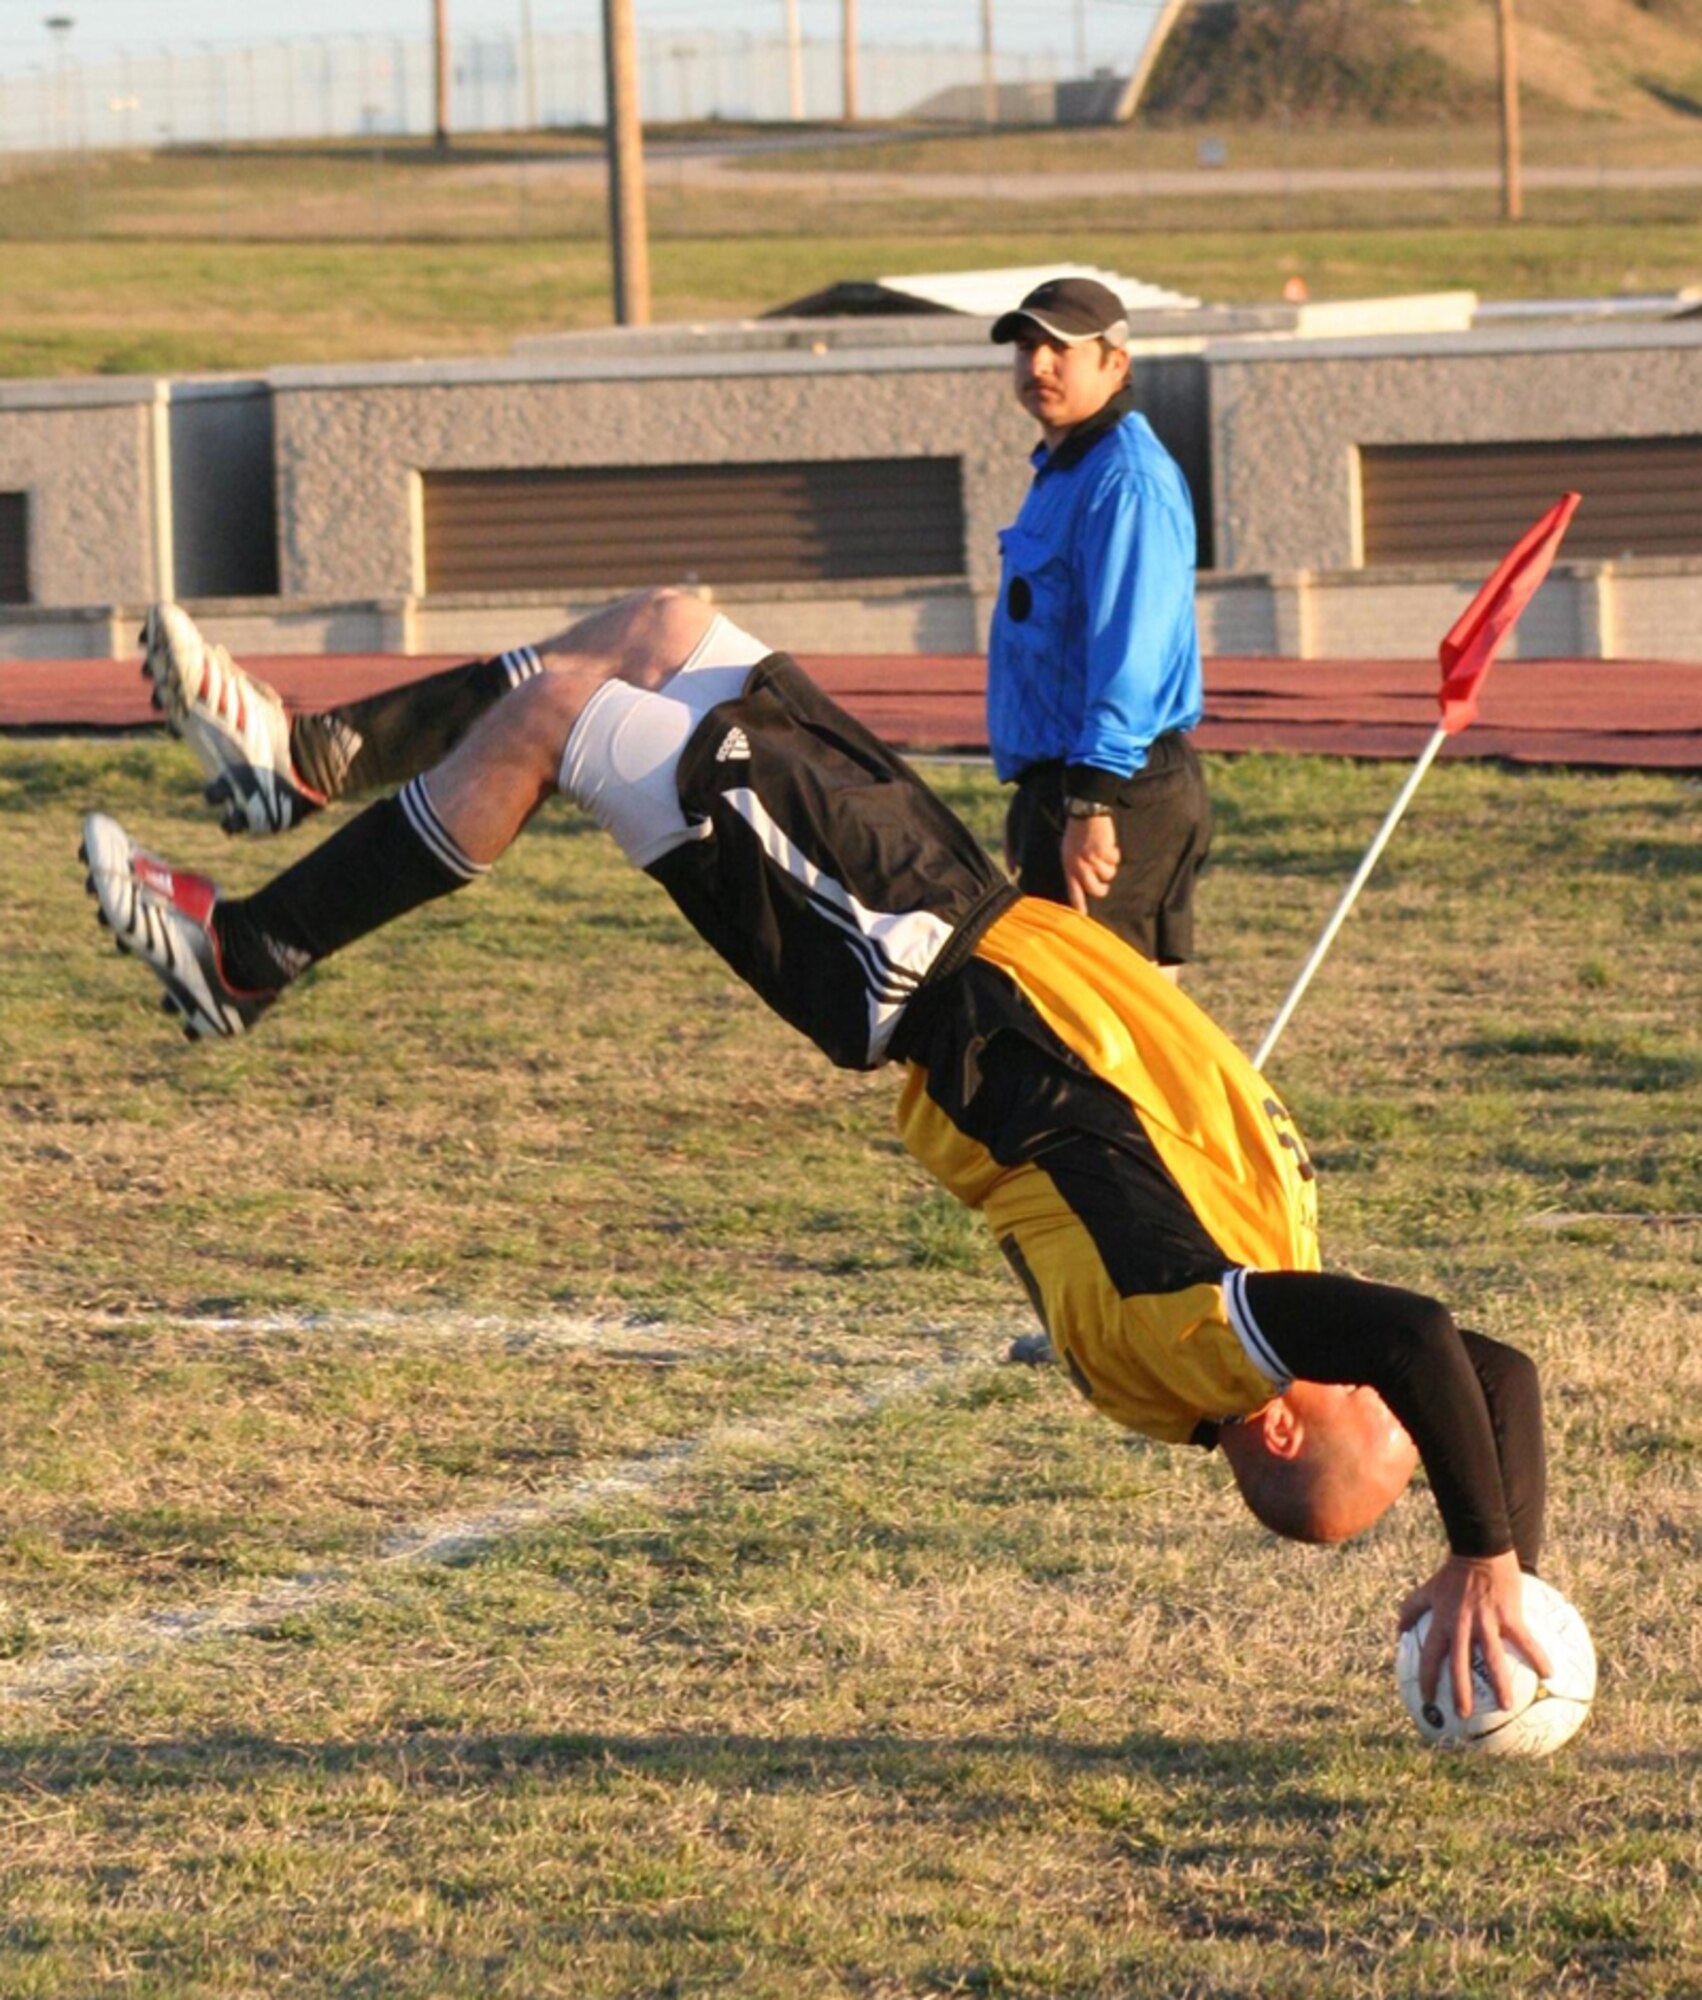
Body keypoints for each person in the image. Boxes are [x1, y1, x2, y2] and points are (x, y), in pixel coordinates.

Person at [83, 591, 1551, 1720]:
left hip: (891, 952)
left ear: (1283, 1427)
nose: (1418, 1424)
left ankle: (250, 952)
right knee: (666, 624)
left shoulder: (1191, 1328)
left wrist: (1475, 1546)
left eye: (1392, 1439)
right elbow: (1497, 1375)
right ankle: (307, 762)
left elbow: (1422, 1343)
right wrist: (1513, 1569)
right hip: (955, 905)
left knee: (564, 720)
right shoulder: (1245, 1330)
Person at [987, 276, 1211, 977]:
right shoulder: (1062, 471)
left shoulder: (1126, 481)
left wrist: (1089, 801)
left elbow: (1131, 655)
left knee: (1105, 1035)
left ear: (1117, 362)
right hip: (1071, 785)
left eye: (1060, 348)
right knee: (1083, 1025)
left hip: (1120, 787)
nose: (1038, 365)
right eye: (1026, 348)